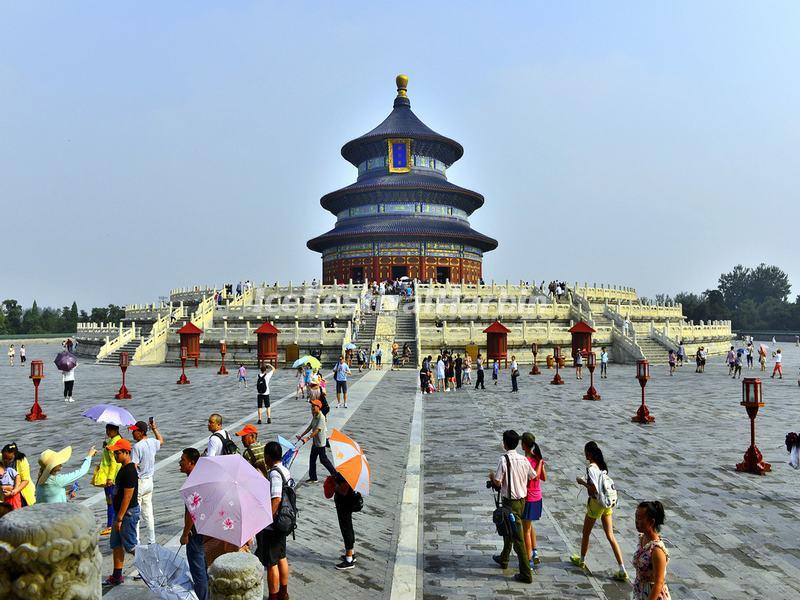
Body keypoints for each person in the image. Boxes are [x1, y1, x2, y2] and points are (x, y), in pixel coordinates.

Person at [570, 441, 628, 581]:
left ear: (588, 454)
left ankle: (582, 560)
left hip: (596, 503)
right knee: (610, 536)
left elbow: (594, 489)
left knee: (586, 533)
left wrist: (582, 482)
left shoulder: (591, 468)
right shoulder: (602, 466)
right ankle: (622, 569)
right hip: (607, 503)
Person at [488, 430, 536, 584]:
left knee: (518, 539)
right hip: (522, 501)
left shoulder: (504, 460)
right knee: (510, 530)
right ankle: (504, 558)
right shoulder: (524, 459)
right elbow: (533, 476)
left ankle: (526, 574)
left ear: (506, 443)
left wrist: (491, 477)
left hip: (510, 503)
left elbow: (497, 482)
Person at [257, 442, 292, 600]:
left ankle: (273, 596)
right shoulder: (285, 469)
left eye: (265, 456)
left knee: (272, 564)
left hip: (274, 525)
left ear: (269, 457)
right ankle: (283, 593)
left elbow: (276, 499)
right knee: (282, 557)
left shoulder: (274, 473)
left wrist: (266, 519)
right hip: (284, 520)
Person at [103, 438, 140, 587]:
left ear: (126, 452)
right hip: (120, 513)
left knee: (130, 545)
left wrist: (119, 518)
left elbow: (128, 496)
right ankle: (117, 576)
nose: (115, 456)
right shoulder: (123, 468)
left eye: (117, 453)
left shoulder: (130, 471)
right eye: (114, 453)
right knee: (116, 544)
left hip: (127, 514)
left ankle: (151, 567)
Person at [180, 447, 209, 600]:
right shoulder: (200, 478)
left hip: (195, 534)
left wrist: (185, 534)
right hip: (204, 530)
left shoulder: (192, 483)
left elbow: (192, 513)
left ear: (191, 463)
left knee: (199, 573)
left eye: (183, 460)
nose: (180, 462)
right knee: (203, 568)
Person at [130, 419, 164, 546]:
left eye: (135, 431)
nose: (133, 434)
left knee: (135, 512)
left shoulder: (137, 446)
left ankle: (136, 541)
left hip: (140, 482)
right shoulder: (152, 442)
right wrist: (155, 429)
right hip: (150, 481)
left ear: (141, 432)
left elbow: (134, 466)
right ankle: (152, 540)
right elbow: (161, 441)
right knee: (148, 513)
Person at [632, 501, 671, 600]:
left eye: (640, 518)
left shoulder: (657, 551)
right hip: (640, 592)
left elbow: (659, 583)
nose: (636, 521)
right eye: (636, 517)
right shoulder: (642, 538)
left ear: (652, 522)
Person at [326, 472, 362, 570]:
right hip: (347, 502)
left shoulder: (347, 474)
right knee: (348, 527)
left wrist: (335, 485)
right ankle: (351, 553)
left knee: (346, 529)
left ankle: (349, 559)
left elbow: (343, 491)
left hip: (344, 503)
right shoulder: (351, 470)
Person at [520, 433, 545, 566]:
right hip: (538, 497)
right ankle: (535, 552)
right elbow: (543, 477)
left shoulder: (525, 460)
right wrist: (540, 463)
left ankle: (528, 560)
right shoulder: (538, 458)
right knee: (530, 526)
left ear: (524, 445)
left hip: (529, 498)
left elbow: (534, 477)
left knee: (526, 530)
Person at [297, 399, 336, 482]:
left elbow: (317, 430)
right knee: (312, 459)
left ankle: (335, 474)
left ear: (318, 407)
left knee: (323, 460)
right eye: (312, 406)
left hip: (320, 444)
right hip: (315, 442)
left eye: (314, 406)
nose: (312, 407)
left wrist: (307, 438)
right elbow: (310, 426)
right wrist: (301, 435)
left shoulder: (321, 417)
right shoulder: (315, 415)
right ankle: (313, 478)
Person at [94, 424, 123, 535]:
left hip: (110, 477)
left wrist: (110, 478)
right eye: (106, 430)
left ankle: (110, 525)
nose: (107, 432)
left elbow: (113, 462)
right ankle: (114, 523)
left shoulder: (113, 443)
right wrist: (106, 447)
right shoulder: (117, 440)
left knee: (110, 502)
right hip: (116, 475)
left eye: (110, 430)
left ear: (115, 430)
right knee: (114, 501)